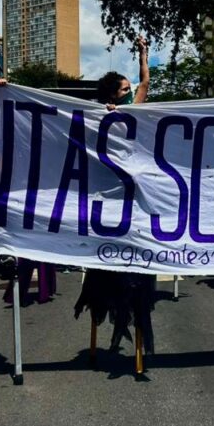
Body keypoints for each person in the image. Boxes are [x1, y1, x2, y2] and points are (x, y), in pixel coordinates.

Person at [74, 36, 156, 353]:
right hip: (105, 201)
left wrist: (143, 53)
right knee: (105, 268)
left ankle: (126, 322)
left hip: (132, 202)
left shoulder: (135, 114)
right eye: (124, 90)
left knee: (133, 275)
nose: (129, 92)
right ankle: (105, 314)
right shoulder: (94, 116)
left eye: (128, 90)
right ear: (110, 94)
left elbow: (145, 82)